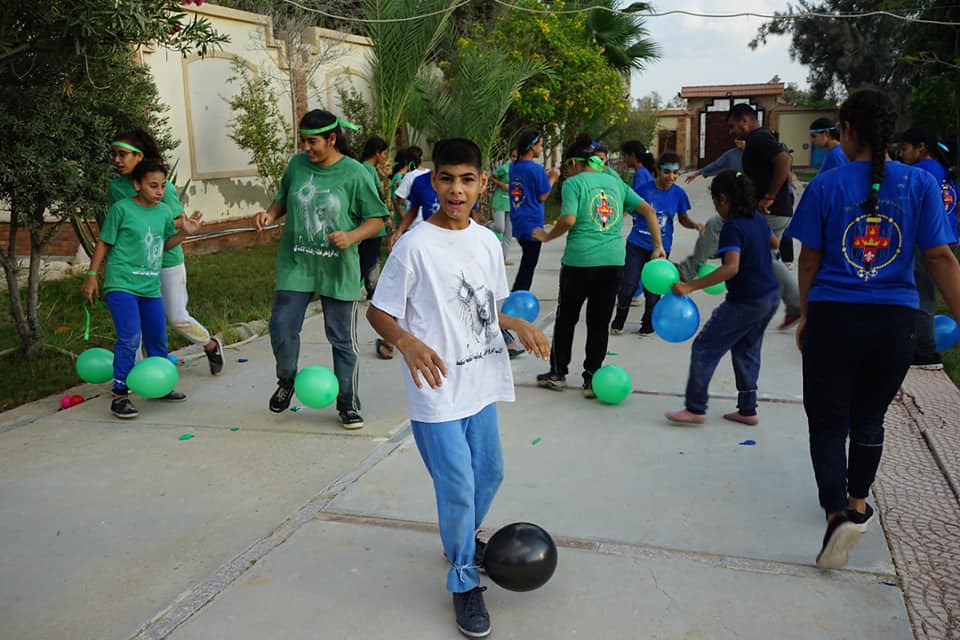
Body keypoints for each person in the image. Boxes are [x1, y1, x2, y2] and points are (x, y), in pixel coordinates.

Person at [366, 138, 550, 639]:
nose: (456, 189)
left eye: (467, 179)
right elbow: (378, 311)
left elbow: (490, 306)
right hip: (437, 391)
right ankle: (464, 578)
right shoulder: (415, 245)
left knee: (489, 473)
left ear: (482, 184)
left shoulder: (488, 242)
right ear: (433, 182)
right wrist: (405, 341)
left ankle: (460, 540)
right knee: (457, 484)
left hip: (479, 380)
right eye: (446, 179)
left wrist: (516, 323)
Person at [787, 89, 960, 569]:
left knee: (826, 422)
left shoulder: (826, 186)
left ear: (846, 132)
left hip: (835, 319)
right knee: (869, 420)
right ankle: (859, 504)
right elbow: (940, 257)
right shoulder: (921, 186)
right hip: (894, 323)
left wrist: (807, 316)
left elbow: (810, 260)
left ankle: (836, 515)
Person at [255, 109, 388, 429]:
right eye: (303, 141)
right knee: (282, 328)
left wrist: (351, 236)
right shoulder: (297, 166)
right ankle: (287, 381)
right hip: (297, 263)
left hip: (338, 268)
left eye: (312, 142)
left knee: (342, 339)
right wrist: (270, 215)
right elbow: (283, 199)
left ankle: (347, 402)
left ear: (332, 139)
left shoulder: (356, 173)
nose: (306, 148)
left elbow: (376, 219)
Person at [531, 137, 661, 395]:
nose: (567, 170)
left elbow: (568, 219)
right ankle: (591, 379)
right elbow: (648, 210)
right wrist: (658, 246)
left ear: (576, 163)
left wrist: (547, 236)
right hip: (613, 263)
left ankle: (558, 373)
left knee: (567, 317)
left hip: (579, 263)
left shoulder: (573, 183)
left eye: (568, 165)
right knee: (599, 322)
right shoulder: (616, 183)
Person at [82, 159, 201, 418]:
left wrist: (185, 233)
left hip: (149, 286)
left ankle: (159, 384)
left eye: (162, 186)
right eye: (152, 186)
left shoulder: (163, 213)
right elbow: (104, 242)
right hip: (121, 283)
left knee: (157, 337)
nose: (159, 191)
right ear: (137, 184)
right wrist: (92, 275)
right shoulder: (122, 209)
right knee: (130, 337)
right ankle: (120, 394)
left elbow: (165, 245)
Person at [665, 170, 780, 425]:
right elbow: (773, 243)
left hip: (746, 300)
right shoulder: (757, 219)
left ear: (725, 199)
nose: (717, 209)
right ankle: (748, 409)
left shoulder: (732, 228)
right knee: (747, 350)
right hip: (770, 296)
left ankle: (695, 408)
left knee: (705, 346)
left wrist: (691, 286)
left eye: (717, 202)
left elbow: (731, 268)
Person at [107, 129, 224, 375]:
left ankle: (210, 344)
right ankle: (137, 375)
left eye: (123, 155)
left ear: (139, 157)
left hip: (166, 259)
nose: (117, 160)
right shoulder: (117, 189)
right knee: (133, 327)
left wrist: (180, 225)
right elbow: (118, 227)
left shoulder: (164, 187)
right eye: (114, 155)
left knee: (177, 317)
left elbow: (176, 221)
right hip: (133, 264)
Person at [727, 103, 803, 330]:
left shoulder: (759, 138)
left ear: (745, 121)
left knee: (759, 258)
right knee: (764, 258)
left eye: (733, 126)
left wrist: (770, 196)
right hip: (774, 210)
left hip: (770, 212)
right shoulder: (758, 140)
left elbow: (783, 160)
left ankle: (795, 304)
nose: (732, 132)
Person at [611, 152, 701, 335]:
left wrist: (694, 225)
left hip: (661, 250)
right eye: (667, 172)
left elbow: (682, 218)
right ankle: (619, 319)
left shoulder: (679, 194)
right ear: (658, 171)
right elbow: (627, 209)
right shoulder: (643, 190)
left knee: (654, 289)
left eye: (676, 173)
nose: (672, 177)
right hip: (637, 244)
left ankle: (648, 323)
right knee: (628, 284)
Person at [898, 126, 960, 370]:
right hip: (948, 237)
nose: (901, 154)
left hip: (927, 241)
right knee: (929, 293)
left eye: (904, 149)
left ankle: (924, 351)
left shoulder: (919, 173)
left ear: (920, 147)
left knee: (920, 294)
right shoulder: (945, 172)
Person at [508, 129, 561, 292]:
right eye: (540, 145)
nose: (541, 149)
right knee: (529, 265)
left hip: (518, 220)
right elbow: (543, 196)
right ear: (532, 147)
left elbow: (527, 182)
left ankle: (519, 292)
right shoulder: (535, 169)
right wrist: (553, 177)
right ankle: (519, 296)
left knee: (527, 261)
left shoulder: (513, 166)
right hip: (533, 223)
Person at [358, 136, 389, 301]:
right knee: (371, 259)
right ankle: (372, 289)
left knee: (368, 257)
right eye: (383, 153)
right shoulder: (366, 169)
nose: (384, 157)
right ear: (377, 153)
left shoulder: (367, 168)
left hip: (371, 224)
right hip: (371, 224)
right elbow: (375, 195)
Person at [488, 150, 516, 263]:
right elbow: (491, 177)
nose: (515, 158)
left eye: (517, 156)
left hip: (513, 203)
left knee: (508, 233)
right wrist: (502, 185)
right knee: (500, 228)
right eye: (513, 156)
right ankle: (489, 225)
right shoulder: (505, 168)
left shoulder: (522, 171)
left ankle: (502, 259)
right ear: (510, 156)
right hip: (500, 201)